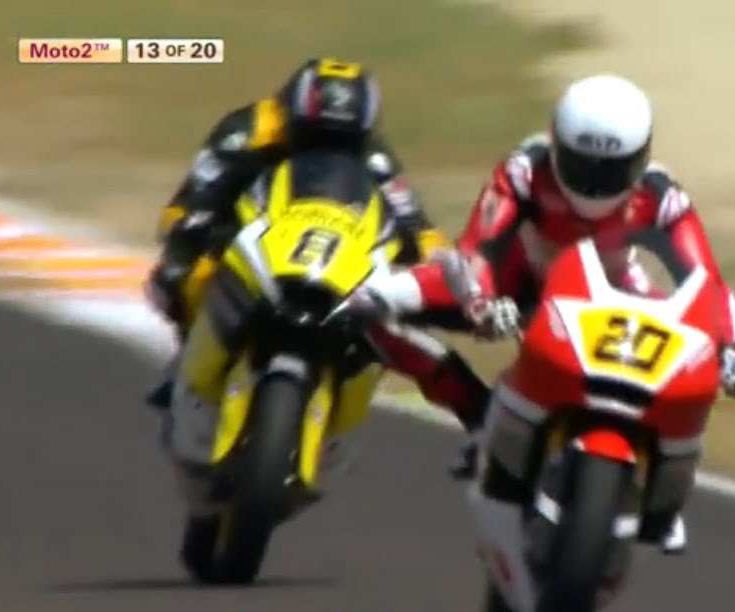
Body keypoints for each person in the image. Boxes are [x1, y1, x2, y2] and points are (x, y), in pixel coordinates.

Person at [365, 73, 735, 553]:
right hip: (512, 285)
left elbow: (707, 282)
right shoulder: (523, 173)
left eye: (611, 171)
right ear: (556, 143)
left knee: (677, 359)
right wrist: (481, 302)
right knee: (373, 301)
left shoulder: (662, 198)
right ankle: (482, 418)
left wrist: (734, 349)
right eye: (581, 165)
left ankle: (658, 491)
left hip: (607, 293)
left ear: (640, 160)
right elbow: (479, 248)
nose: (594, 185)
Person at [143, 57, 493, 439]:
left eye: (344, 144)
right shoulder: (248, 131)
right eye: (314, 139)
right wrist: (191, 227)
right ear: (291, 117)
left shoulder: (373, 156)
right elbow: (200, 189)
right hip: (244, 226)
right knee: (180, 277)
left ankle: (345, 385)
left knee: (395, 314)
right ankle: (188, 359)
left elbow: (413, 219)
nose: (329, 151)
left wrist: (433, 259)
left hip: (324, 249)